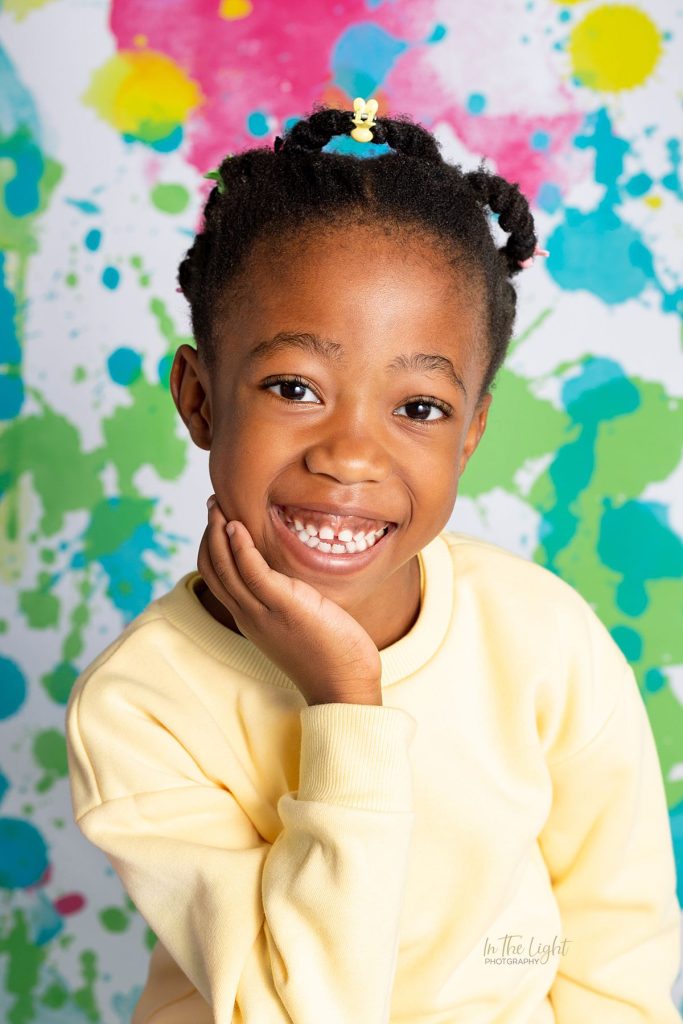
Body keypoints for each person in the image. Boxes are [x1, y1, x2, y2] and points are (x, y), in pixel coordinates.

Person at [64, 99, 681, 1023]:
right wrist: (344, 706)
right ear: (198, 398)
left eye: (420, 408)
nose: (350, 454)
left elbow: (615, 949)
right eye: (293, 387)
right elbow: (297, 1007)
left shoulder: (541, 636)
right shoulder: (143, 702)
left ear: (471, 432)